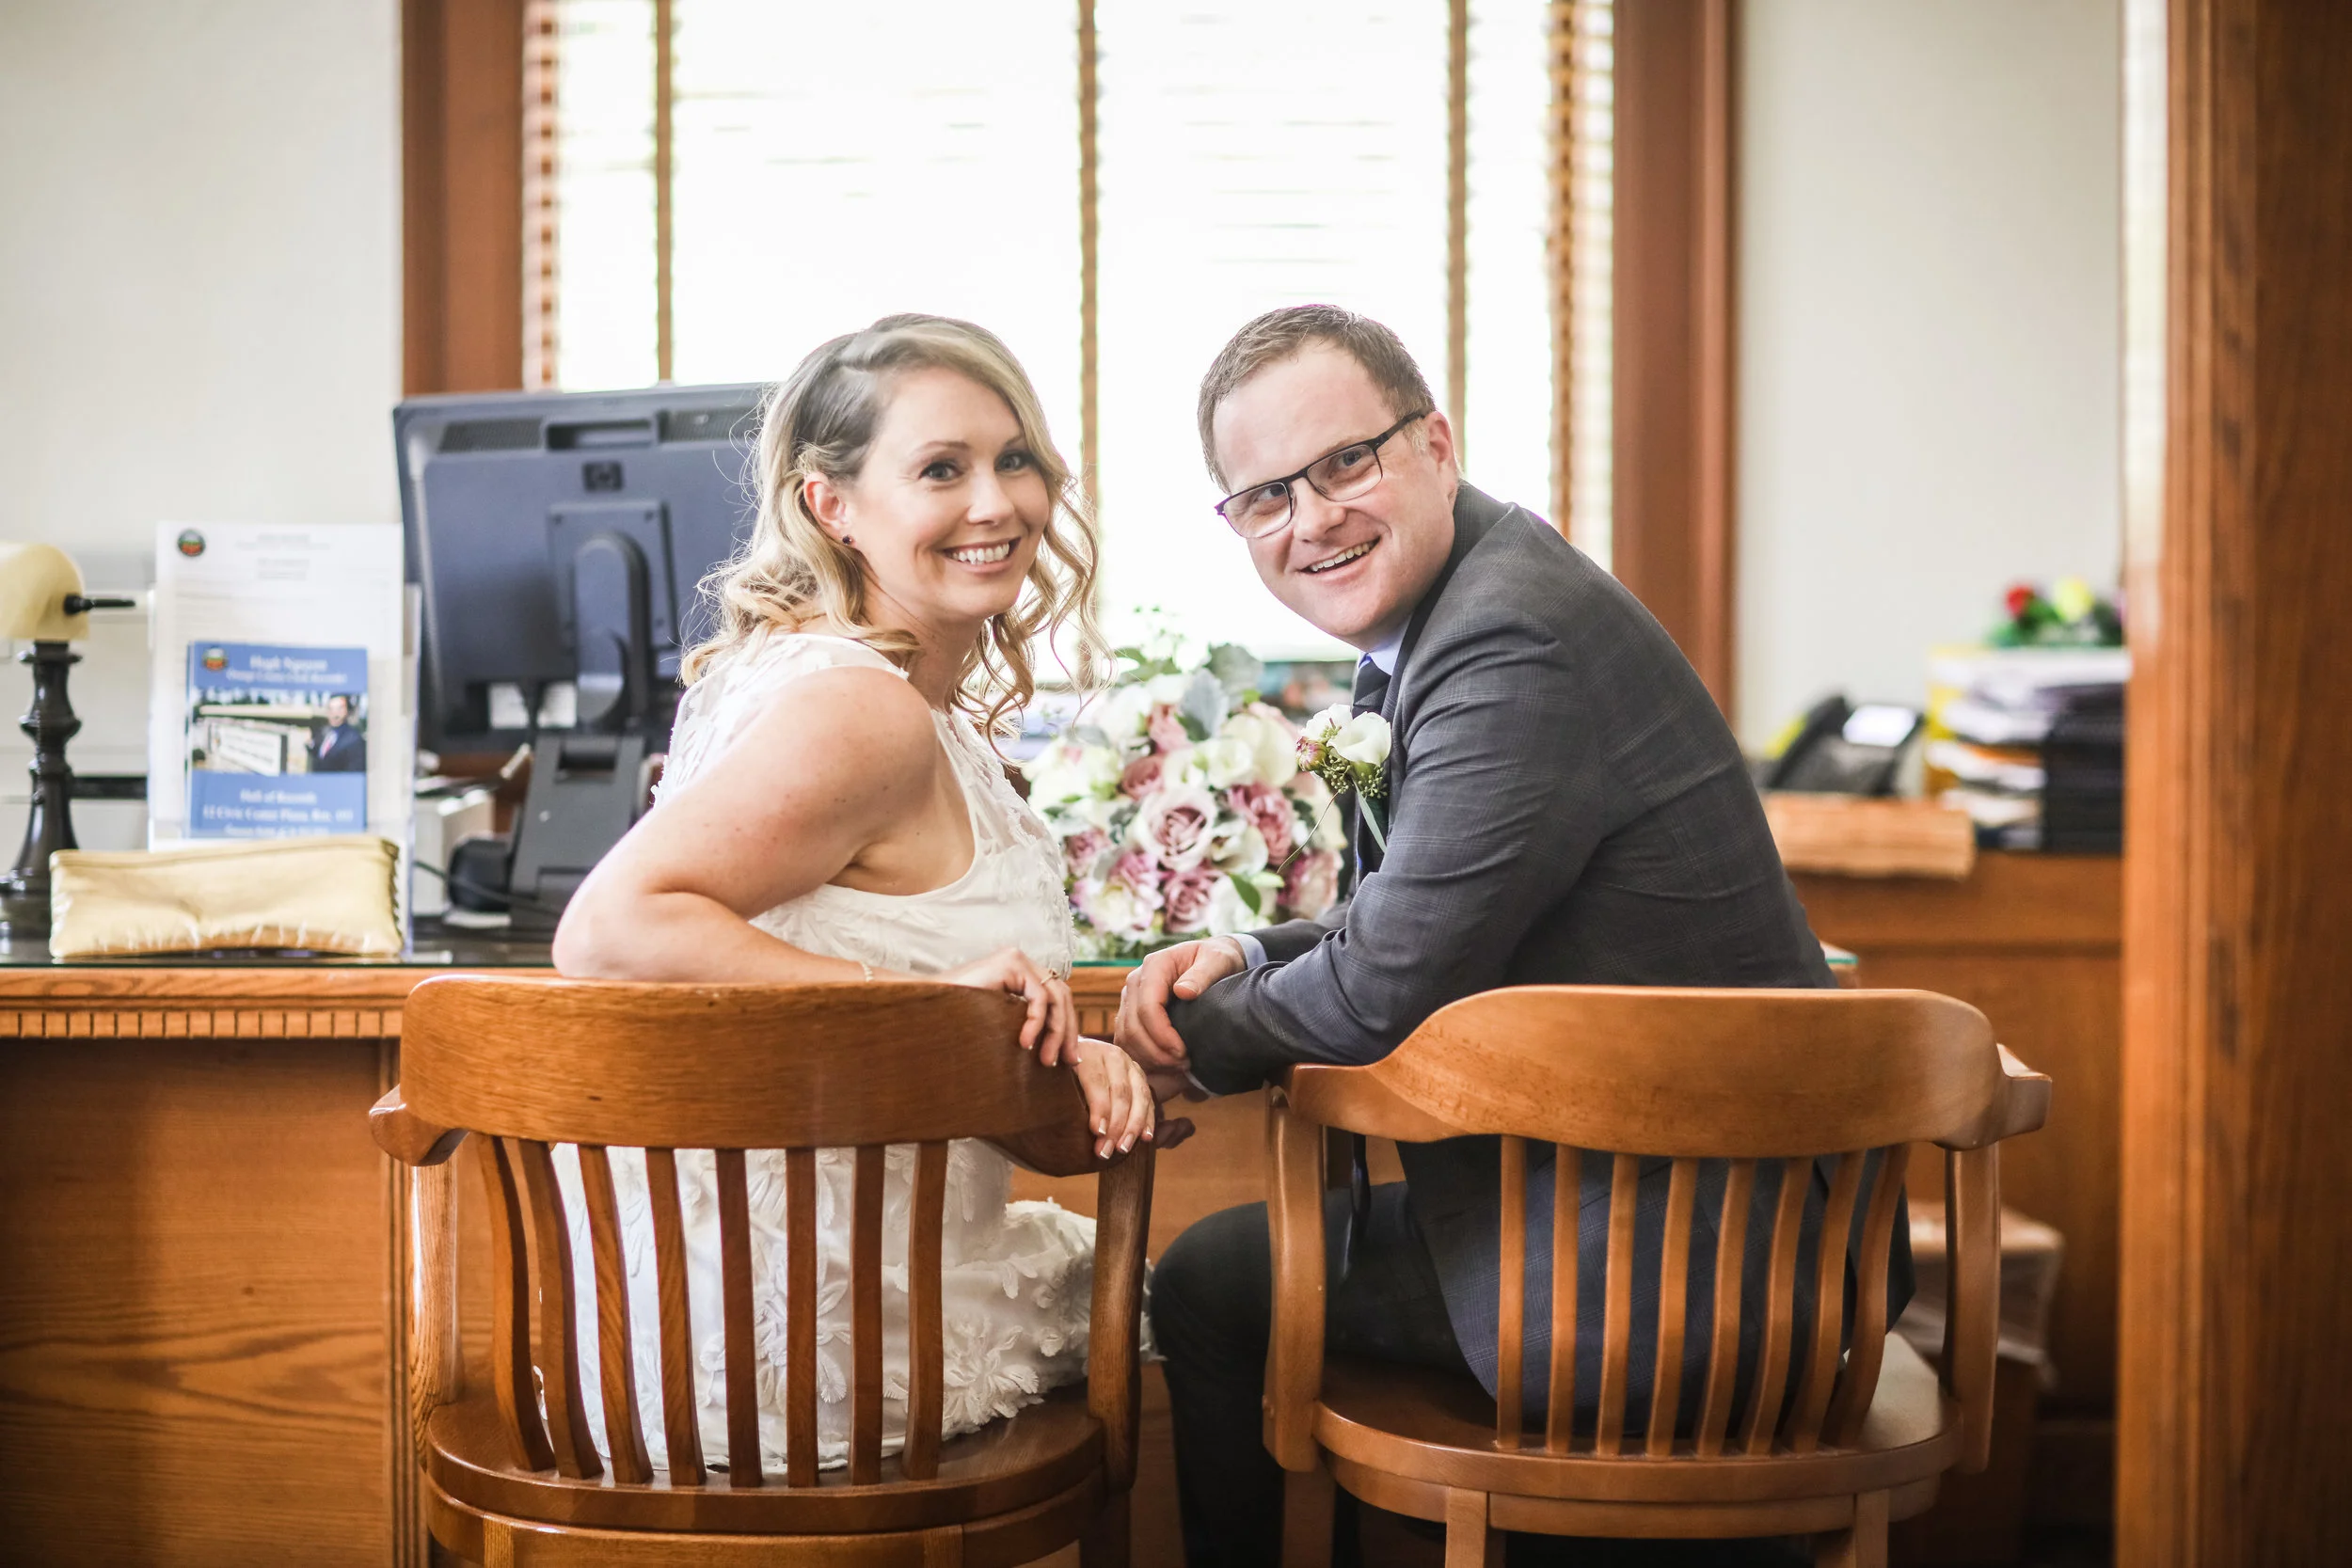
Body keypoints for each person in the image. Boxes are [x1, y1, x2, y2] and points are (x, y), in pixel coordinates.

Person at [1116, 306, 1896, 1565]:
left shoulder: (1505, 638)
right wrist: (1249, 957)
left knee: (1213, 1287)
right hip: (1622, 1196)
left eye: (1344, 462)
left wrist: (1184, 1038)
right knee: (1228, 1274)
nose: (1312, 518)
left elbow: (1385, 985)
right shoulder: (1452, 607)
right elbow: (1420, 909)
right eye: (1266, 495)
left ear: (1435, 444)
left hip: (1693, 1255)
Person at [552, 313, 1165, 1474]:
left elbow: (904, 1032)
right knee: (1222, 1300)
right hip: (800, 1346)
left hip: (692, 1328)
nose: (996, 502)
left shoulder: (849, 687)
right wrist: (931, 1005)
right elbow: (609, 928)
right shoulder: (860, 709)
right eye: (941, 469)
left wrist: (1071, 1054)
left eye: (1015, 459)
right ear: (830, 504)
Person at [311, 693, 366, 772]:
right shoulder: (324, 734)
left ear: (347, 711)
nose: (335, 714)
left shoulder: (353, 739)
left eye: (339, 709)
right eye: (331, 709)